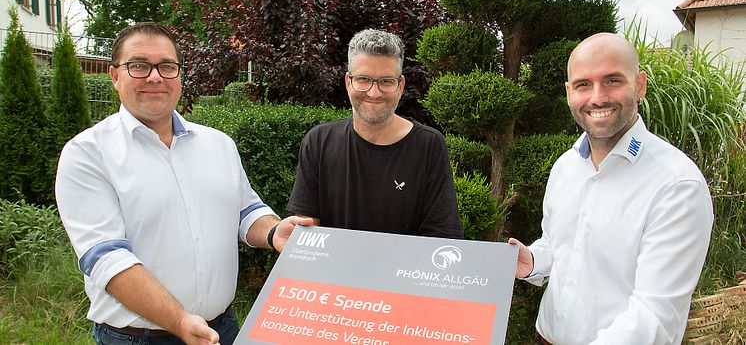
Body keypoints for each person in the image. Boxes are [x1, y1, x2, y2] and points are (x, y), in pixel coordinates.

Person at [55, 22, 312, 345]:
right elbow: (107, 259)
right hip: (138, 339)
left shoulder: (218, 144)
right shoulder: (88, 153)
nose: (155, 77)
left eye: (167, 66)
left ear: (179, 75)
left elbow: (246, 210)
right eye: (138, 65)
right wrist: (178, 320)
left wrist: (274, 232)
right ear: (114, 76)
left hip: (223, 328)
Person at [508, 32, 713, 344]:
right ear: (568, 93)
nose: (597, 97)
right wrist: (534, 261)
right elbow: (559, 244)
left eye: (612, 80)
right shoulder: (565, 166)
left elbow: (654, 315)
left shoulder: (677, 185)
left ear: (639, 85)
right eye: (583, 84)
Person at [286, 29, 463, 239]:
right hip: (334, 272)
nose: (374, 92)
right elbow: (307, 234)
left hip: (404, 272)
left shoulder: (429, 146)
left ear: (401, 86)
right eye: (363, 79)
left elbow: (441, 236)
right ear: (348, 82)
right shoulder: (319, 142)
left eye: (386, 81)